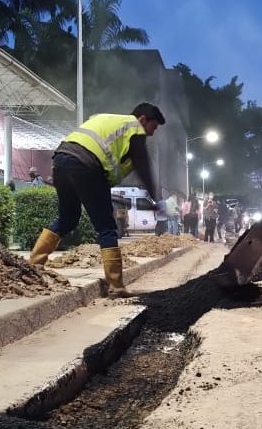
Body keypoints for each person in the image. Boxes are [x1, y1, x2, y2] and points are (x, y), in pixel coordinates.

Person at [28, 103, 167, 296]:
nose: (152, 134)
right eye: (153, 127)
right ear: (143, 119)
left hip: (60, 160)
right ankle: (116, 286)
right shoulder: (133, 127)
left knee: (68, 218)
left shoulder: (105, 118)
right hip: (86, 165)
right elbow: (144, 167)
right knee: (106, 226)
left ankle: (33, 265)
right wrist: (157, 200)